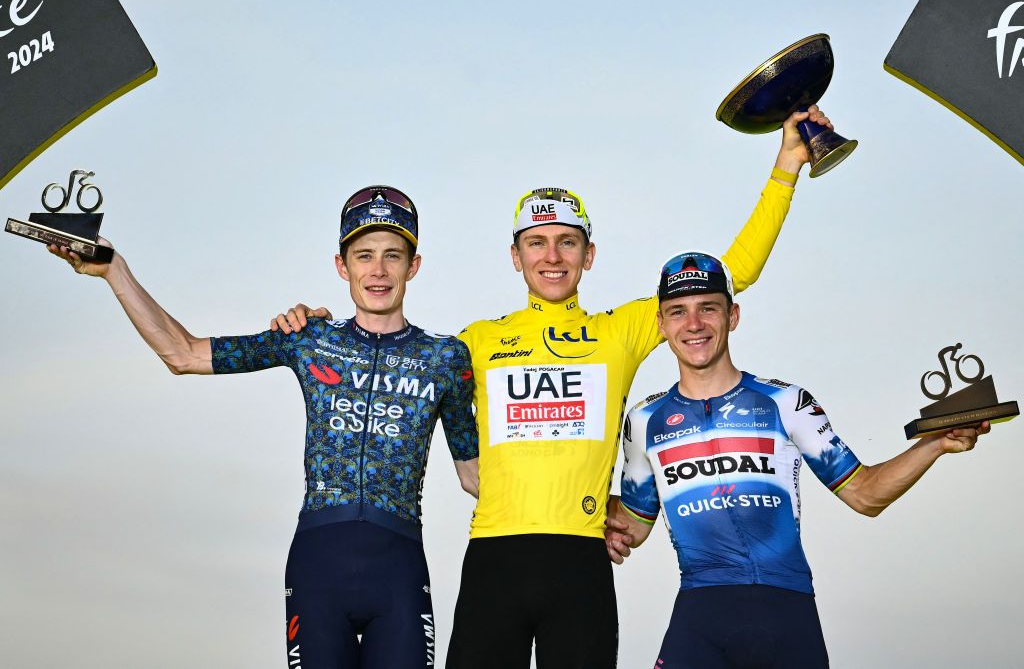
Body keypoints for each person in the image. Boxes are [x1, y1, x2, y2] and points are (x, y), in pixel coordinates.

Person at [270, 107, 834, 668]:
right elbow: (388, 346)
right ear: (515, 258)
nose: (553, 256)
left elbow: (735, 271)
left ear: (590, 255)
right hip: (493, 561)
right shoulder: (476, 342)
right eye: (537, 243)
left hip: (580, 565)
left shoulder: (619, 331)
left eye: (568, 242)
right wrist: (316, 325)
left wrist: (785, 167)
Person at [47, 186, 480, 668]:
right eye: (364, 256)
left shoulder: (445, 359)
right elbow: (183, 353)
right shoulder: (308, 339)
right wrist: (114, 270)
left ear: (413, 265)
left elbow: (474, 474)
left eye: (392, 256)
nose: (377, 270)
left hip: (399, 570)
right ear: (342, 266)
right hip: (319, 566)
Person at [605, 250, 989, 668]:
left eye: (708, 309)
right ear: (661, 324)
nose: (693, 324)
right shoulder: (644, 420)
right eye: (677, 311)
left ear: (733, 316)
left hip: (786, 612)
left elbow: (865, 494)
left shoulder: (786, 402)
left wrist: (933, 444)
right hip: (700, 614)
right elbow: (633, 527)